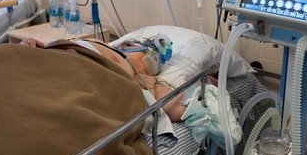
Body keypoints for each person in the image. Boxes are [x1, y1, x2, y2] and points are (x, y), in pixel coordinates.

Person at [19, 37, 188, 121]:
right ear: (127, 45)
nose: (156, 58)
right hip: (62, 62)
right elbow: (51, 50)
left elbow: (173, 107)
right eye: (151, 49)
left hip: (84, 83)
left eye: (159, 63)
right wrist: (32, 46)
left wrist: (196, 106)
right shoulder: (96, 43)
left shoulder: (146, 80)